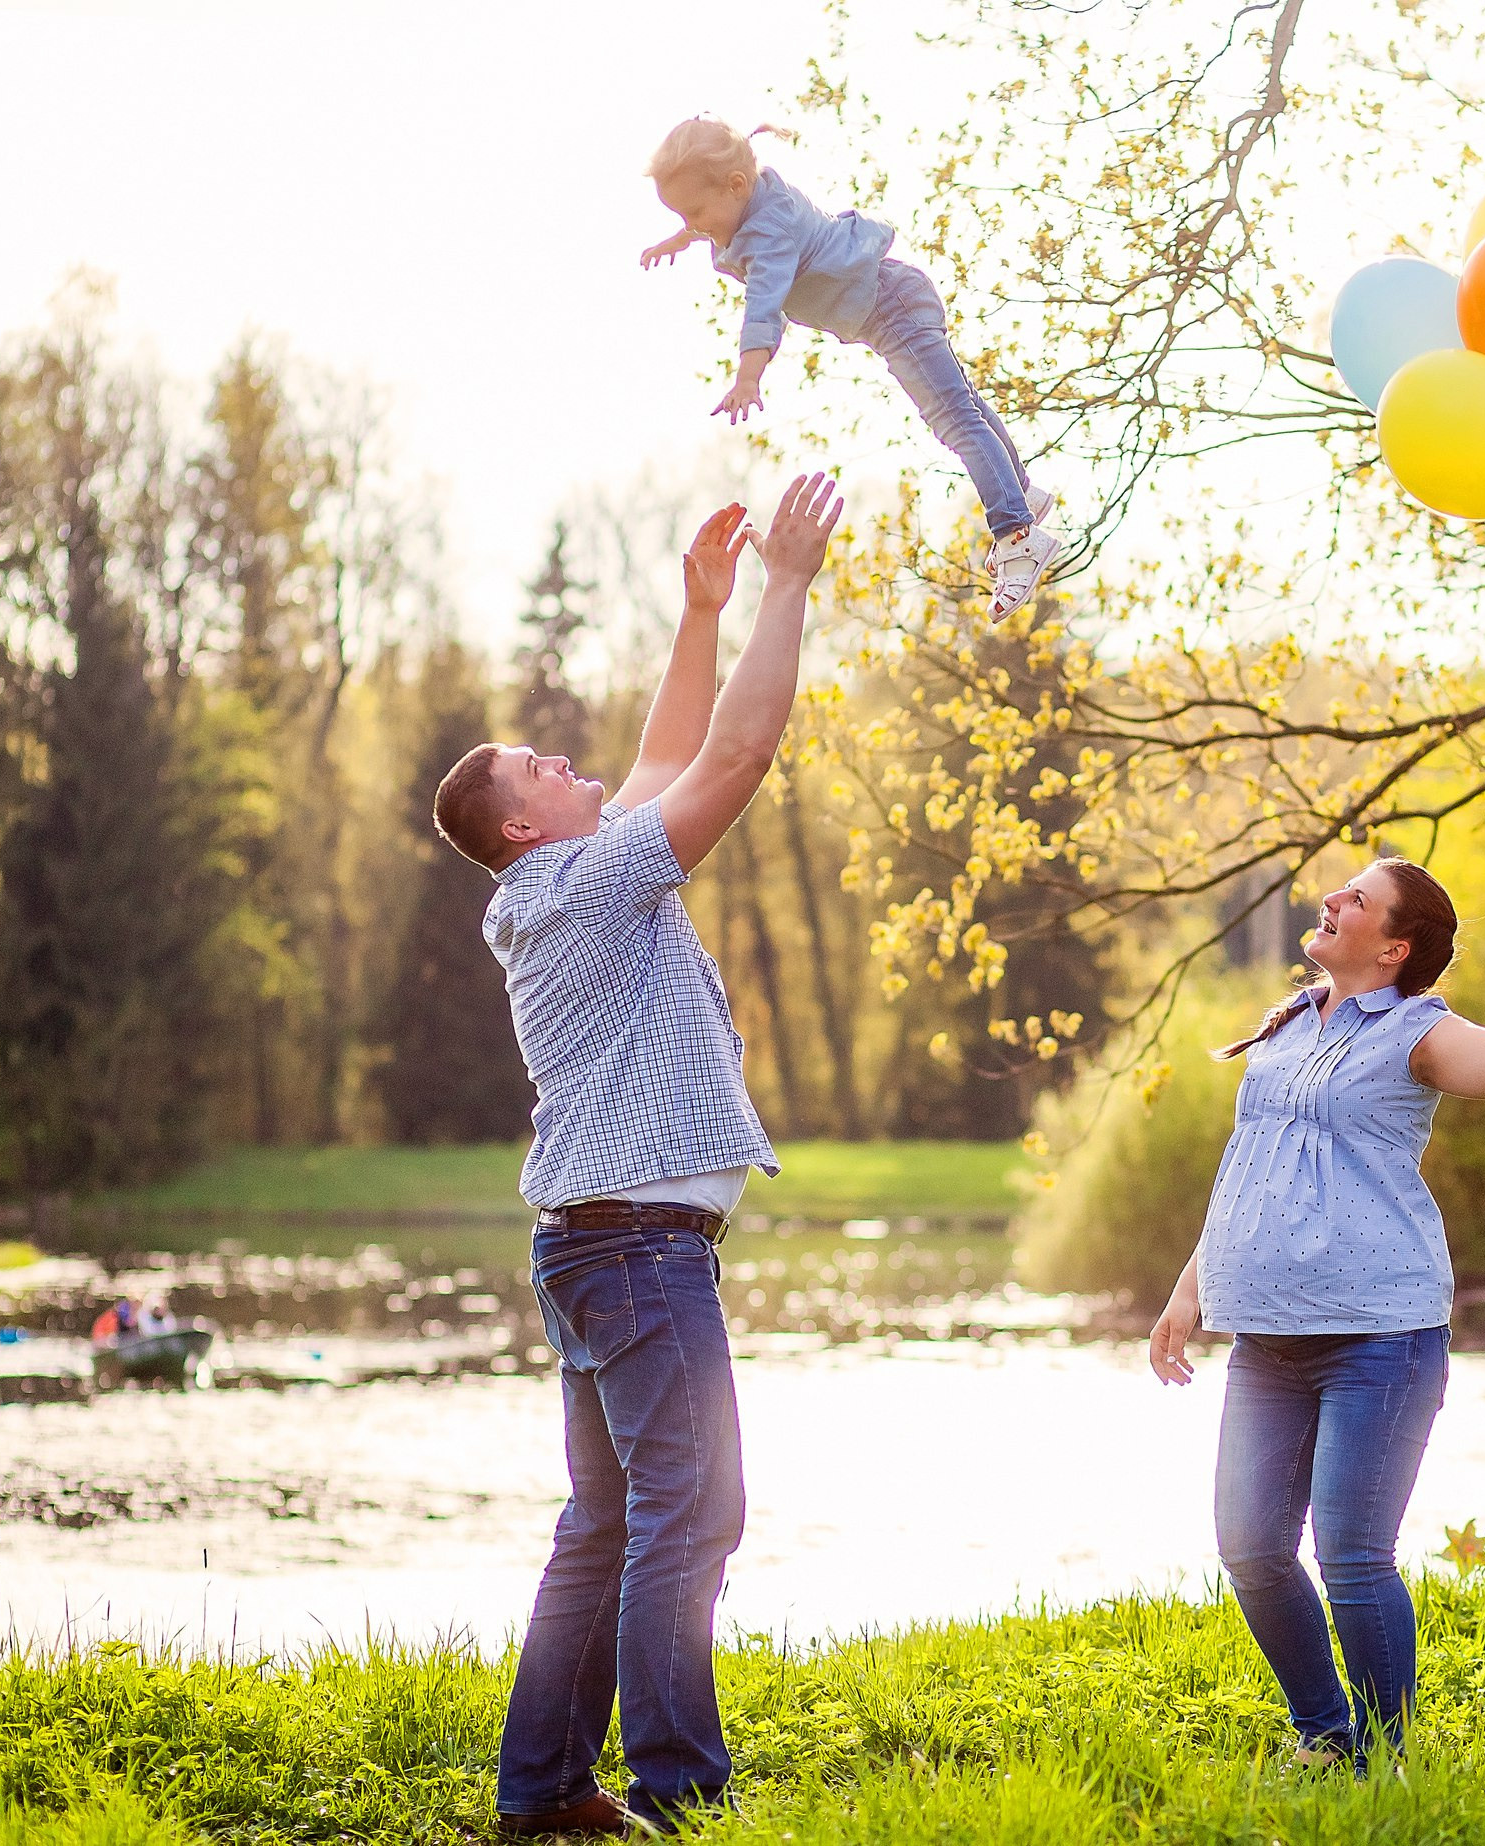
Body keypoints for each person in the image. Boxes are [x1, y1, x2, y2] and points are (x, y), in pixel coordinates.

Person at [432, 475, 842, 1835]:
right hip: (637, 1253)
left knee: (608, 1524)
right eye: (539, 766)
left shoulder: (562, 880)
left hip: (596, 1246)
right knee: (692, 1511)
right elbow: (728, 763)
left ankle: (544, 1791)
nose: (568, 759)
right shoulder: (588, 884)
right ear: (520, 824)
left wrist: (699, 611)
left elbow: (667, 759)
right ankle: (682, 1792)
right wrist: (788, 585)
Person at [1148, 852, 1485, 1774]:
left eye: (1356, 898)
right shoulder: (1288, 1027)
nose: (1332, 898)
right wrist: (1188, 1294)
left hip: (1379, 1336)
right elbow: (1250, 1171)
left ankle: (1387, 1759)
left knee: (1351, 1555)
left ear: (1392, 947)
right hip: (1267, 1340)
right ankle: (1327, 1734)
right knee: (1252, 1549)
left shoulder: (1417, 1031)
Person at [638, 117, 1063, 619]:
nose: (695, 224)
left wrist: (748, 376)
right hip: (892, 301)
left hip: (890, 308)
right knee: (963, 407)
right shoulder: (752, 194)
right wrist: (680, 239)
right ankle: (1021, 494)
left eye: (695, 213)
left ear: (735, 187)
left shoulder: (767, 237)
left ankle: (1016, 532)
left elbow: (763, 304)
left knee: (955, 420)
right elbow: (714, 214)